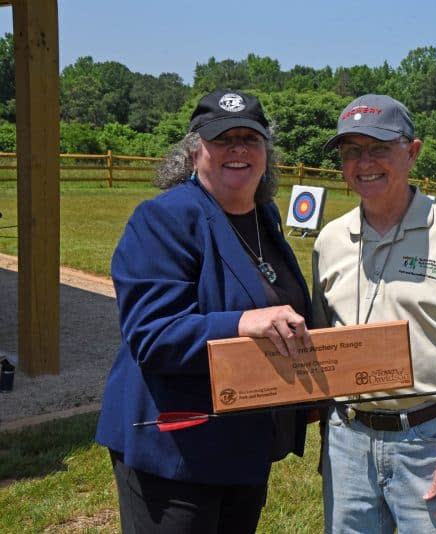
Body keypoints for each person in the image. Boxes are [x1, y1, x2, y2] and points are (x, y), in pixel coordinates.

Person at [95, 89, 313, 533]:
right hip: (175, 451)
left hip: (243, 444)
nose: (238, 149)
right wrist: (242, 323)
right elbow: (152, 336)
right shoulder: (164, 218)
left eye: (250, 139)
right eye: (222, 138)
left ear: (266, 153)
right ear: (195, 151)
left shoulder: (264, 218)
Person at [312, 94, 436, 533]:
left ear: (413, 151)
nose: (364, 163)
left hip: (433, 442)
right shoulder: (329, 240)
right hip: (348, 443)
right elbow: (320, 343)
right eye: (352, 152)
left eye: (379, 148)